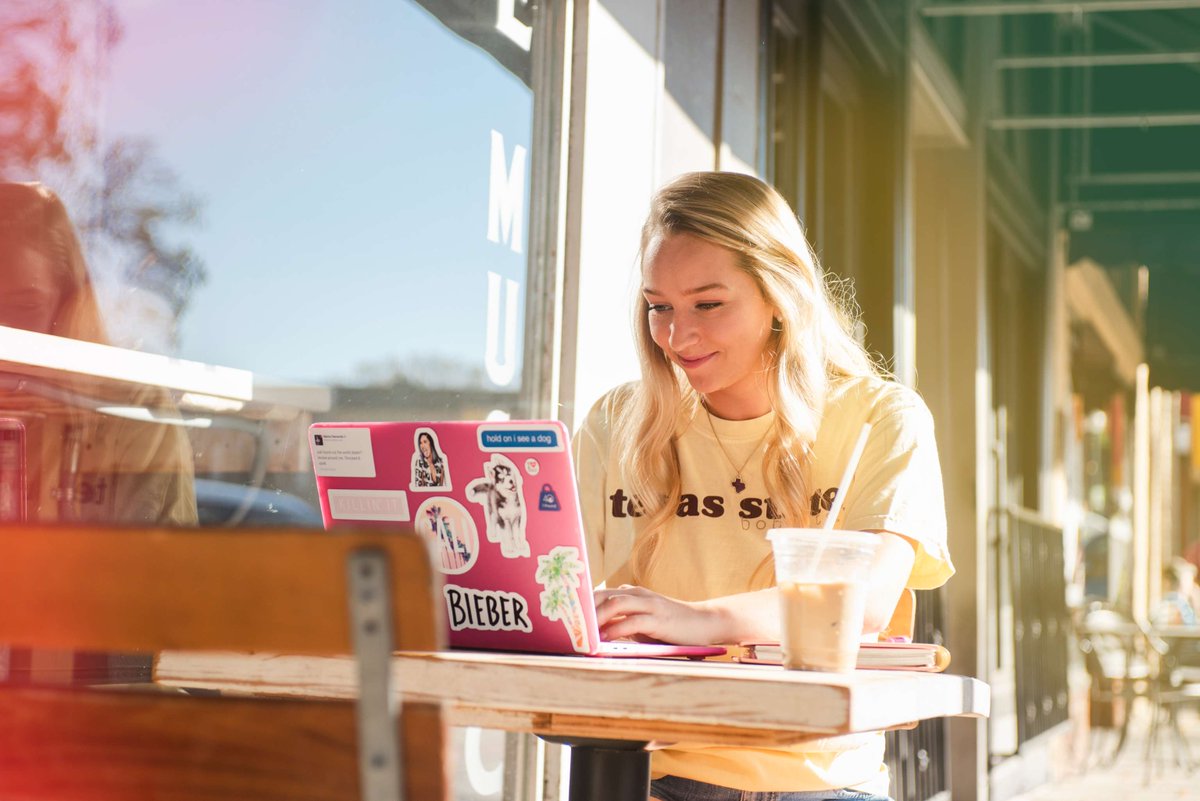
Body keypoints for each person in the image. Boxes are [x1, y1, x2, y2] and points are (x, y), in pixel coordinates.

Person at [573, 171, 953, 801]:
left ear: (779, 295)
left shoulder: (880, 418)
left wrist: (695, 620)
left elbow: (864, 602)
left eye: (708, 303)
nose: (675, 334)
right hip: (647, 775)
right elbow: (558, 587)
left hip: (823, 785)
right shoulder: (616, 422)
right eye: (658, 305)